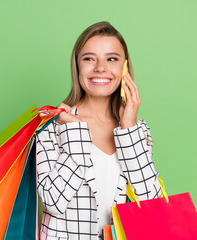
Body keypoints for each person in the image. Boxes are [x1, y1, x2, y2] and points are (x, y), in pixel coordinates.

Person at [35, 21, 162, 240]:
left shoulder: (138, 130)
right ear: (77, 66)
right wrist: (75, 132)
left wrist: (129, 128)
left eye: (111, 59)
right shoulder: (51, 127)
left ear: (125, 67)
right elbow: (54, 201)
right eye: (89, 58)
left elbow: (151, 202)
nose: (100, 68)